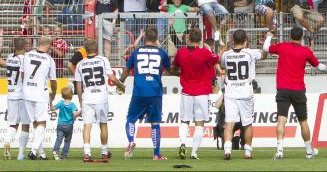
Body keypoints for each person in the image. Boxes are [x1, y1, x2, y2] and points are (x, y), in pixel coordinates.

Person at [262, 28, 327, 160]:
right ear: (302, 37)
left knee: (281, 119)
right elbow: (319, 66)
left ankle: (280, 151)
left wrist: (269, 36)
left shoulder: (283, 47)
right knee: (303, 121)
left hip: (283, 89)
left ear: (289, 35)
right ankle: (309, 151)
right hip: (298, 90)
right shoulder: (305, 51)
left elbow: (266, 47)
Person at [119, 27, 171, 160]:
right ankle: (156, 154)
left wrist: (120, 83)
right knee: (155, 123)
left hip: (139, 91)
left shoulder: (136, 52)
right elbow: (170, 70)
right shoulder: (161, 53)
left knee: (131, 119)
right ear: (156, 38)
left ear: (144, 38)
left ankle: (131, 141)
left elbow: (126, 70)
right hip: (155, 91)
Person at [170, 28, 219, 160]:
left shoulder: (181, 52)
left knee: (185, 120)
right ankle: (194, 152)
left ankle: (182, 143)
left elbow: (175, 67)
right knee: (199, 123)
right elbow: (216, 58)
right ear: (201, 40)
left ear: (188, 39)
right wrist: (208, 48)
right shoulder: (205, 53)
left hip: (187, 91)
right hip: (202, 92)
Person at [220, 29, 267, 160]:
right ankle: (247, 151)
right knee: (247, 124)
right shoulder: (250, 53)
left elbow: (221, 62)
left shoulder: (226, 54)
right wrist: (266, 42)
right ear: (246, 40)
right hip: (246, 92)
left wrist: (226, 47)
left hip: (230, 93)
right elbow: (264, 55)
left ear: (233, 41)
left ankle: (227, 150)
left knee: (229, 123)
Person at [75, 39, 124, 162]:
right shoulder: (103, 60)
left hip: (87, 97)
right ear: (96, 49)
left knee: (87, 125)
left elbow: (78, 86)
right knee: (103, 124)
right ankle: (104, 152)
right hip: (101, 97)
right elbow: (111, 77)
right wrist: (120, 85)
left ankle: (87, 153)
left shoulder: (80, 64)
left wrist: (80, 101)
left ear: (85, 51)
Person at [21, 37, 57, 160]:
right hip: (40, 92)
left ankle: (41, 153)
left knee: (35, 122)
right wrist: (53, 95)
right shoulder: (49, 59)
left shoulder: (27, 55)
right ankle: (34, 150)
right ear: (49, 45)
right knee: (42, 122)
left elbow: (22, 74)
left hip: (27, 91)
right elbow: (53, 81)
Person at [0, 37, 30, 161]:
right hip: (22, 96)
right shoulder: (25, 59)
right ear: (25, 46)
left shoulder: (10, 58)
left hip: (11, 94)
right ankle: (21, 154)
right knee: (26, 125)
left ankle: (7, 143)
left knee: (13, 124)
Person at [51, 86, 79, 160]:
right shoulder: (72, 105)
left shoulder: (61, 103)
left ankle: (55, 151)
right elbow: (75, 114)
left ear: (62, 95)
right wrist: (81, 111)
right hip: (69, 125)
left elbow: (52, 108)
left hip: (60, 124)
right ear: (72, 95)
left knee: (59, 139)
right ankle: (64, 155)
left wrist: (50, 102)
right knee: (67, 140)